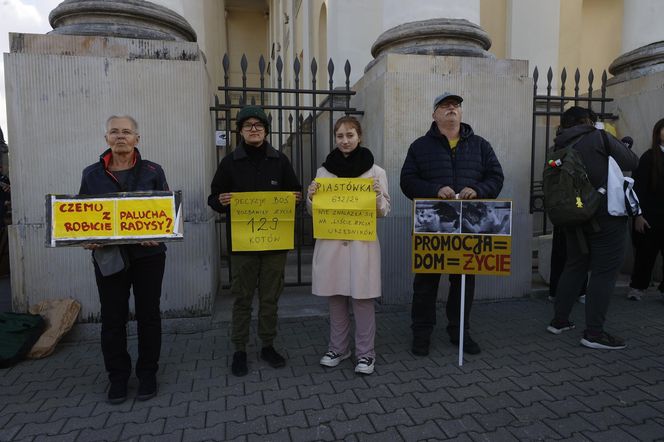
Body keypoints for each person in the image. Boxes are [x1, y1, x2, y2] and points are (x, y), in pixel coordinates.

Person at [400, 92, 504, 356]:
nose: (451, 109)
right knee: (425, 283)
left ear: (461, 113)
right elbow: (407, 181)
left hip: (469, 225)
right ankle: (421, 334)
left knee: (464, 281)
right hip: (432, 224)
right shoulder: (419, 147)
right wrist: (434, 189)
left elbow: (496, 177)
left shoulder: (480, 145)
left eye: (455, 105)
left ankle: (459, 332)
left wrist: (479, 190)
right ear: (434, 115)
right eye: (445, 105)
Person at [79, 115, 169, 404]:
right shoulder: (91, 174)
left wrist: (160, 233)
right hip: (108, 257)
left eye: (127, 132)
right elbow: (82, 214)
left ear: (137, 139)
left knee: (149, 315)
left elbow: (166, 212)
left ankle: (147, 374)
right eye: (114, 132)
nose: (121, 136)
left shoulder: (154, 170)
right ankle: (117, 378)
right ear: (106, 137)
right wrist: (87, 238)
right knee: (112, 318)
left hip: (149, 255)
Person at [208, 105, 301, 377]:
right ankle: (239, 349)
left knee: (270, 297)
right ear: (240, 131)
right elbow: (213, 197)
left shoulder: (280, 161)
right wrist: (221, 201)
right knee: (242, 297)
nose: (253, 129)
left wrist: (295, 198)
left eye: (258, 125)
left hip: (274, 243)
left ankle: (267, 345)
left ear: (266, 130)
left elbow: (294, 190)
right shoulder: (229, 162)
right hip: (243, 245)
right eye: (247, 125)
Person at [546, 106, 638, 349]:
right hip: (605, 216)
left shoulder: (556, 147)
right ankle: (594, 333)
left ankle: (559, 320)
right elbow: (631, 162)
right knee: (604, 273)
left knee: (574, 266)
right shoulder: (598, 137)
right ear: (587, 121)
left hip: (574, 216)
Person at [306, 116, 390, 375]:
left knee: (362, 300)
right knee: (336, 299)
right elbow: (314, 213)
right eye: (340, 136)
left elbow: (384, 211)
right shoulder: (324, 171)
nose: (345, 140)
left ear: (359, 136)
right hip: (332, 245)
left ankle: (366, 353)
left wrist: (377, 196)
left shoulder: (376, 172)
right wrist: (310, 198)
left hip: (360, 246)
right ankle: (338, 348)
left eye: (350, 135)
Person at [627, 118, 664, 301]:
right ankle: (637, 287)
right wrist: (638, 216)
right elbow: (637, 189)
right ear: (658, 133)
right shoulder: (649, 157)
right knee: (645, 255)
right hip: (650, 216)